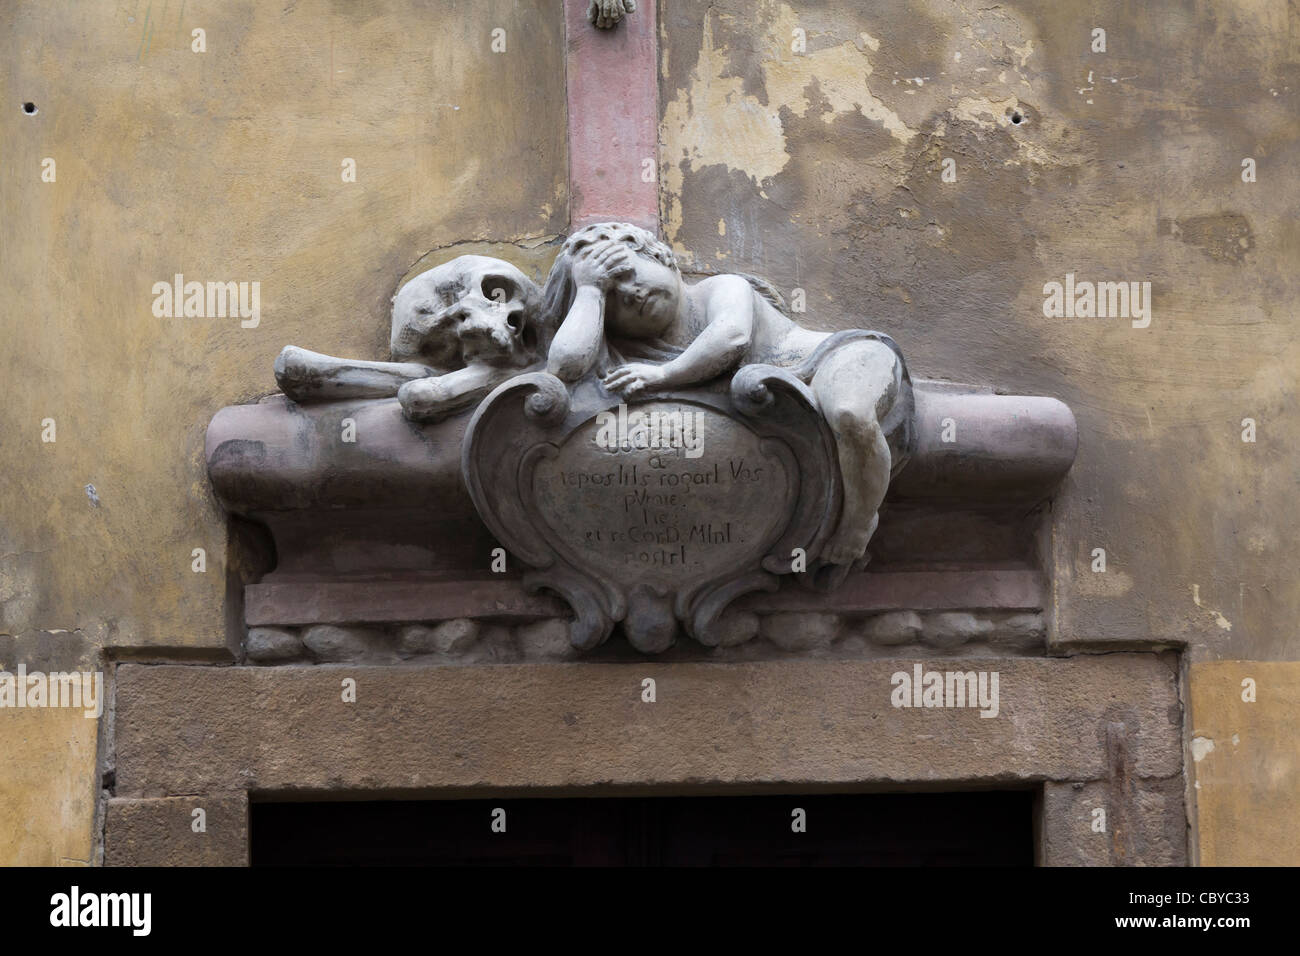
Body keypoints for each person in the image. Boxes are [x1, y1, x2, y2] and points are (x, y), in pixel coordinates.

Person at [542, 222, 914, 568]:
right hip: (777, 417)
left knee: (848, 412)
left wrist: (664, 375)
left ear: (660, 257)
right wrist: (590, 291)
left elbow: (731, 336)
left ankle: (859, 522)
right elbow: (564, 368)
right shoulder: (632, 360)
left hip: (837, 358)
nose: (630, 292)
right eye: (613, 297)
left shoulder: (722, 288)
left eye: (625, 273)